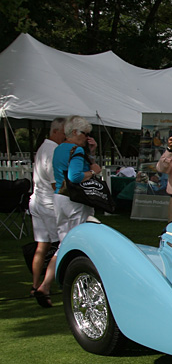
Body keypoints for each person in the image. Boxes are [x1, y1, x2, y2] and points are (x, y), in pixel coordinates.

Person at [28, 117, 66, 307]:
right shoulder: (52, 151)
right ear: (57, 131)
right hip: (48, 203)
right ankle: (46, 286)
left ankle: (35, 286)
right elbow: (55, 184)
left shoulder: (43, 147)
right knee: (63, 244)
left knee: (42, 246)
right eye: (65, 132)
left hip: (36, 201)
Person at [52, 116, 103, 243]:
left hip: (59, 196)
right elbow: (74, 176)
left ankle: (55, 263)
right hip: (74, 198)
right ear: (75, 132)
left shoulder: (58, 148)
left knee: (63, 241)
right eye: (85, 134)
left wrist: (91, 153)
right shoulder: (77, 149)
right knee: (78, 239)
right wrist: (93, 172)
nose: (87, 138)